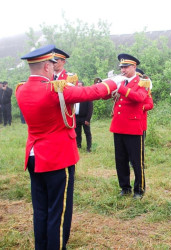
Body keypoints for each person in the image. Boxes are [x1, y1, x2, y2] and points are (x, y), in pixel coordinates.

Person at [16, 44, 118, 249]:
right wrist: (113, 82)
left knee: (41, 209)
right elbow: (92, 92)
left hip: (34, 155)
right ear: (46, 66)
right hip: (56, 157)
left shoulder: (21, 89)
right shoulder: (55, 91)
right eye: (52, 64)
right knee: (58, 212)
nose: (54, 68)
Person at [110, 53, 149, 199]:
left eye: (126, 67)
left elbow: (140, 97)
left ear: (134, 66)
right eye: (122, 67)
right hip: (118, 126)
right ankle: (125, 187)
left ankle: (139, 189)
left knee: (136, 161)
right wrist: (108, 86)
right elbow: (107, 96)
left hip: (133, 127)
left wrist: (120, 88)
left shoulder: (142, 82)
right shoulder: (122, 82)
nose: (123, 70)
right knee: (120, 160)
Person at [75, 81, 93, 152]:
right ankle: (78, 145)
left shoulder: (87, 95)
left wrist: (87, 119)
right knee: (77, 133)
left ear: (83, 86)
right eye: (77, 86)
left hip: (85, 118)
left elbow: (90, 108)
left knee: (87, 133)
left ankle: (89, 147)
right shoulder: (75, 95)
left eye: (80, 86)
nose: (79, 87)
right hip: (76, 117)